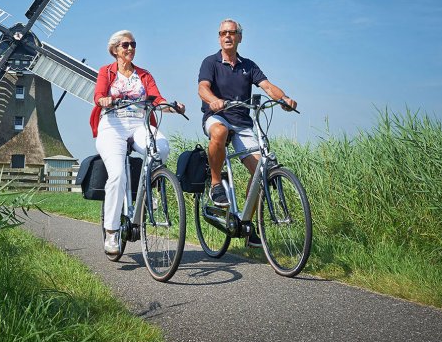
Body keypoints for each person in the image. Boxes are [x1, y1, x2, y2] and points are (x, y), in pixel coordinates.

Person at [198, 18, 297, 247]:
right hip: (218, 116)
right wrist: (214, 101)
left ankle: (247, 224)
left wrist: (284, 99)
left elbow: (268, 86)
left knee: (261, 171)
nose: (227, 36)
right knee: (220, 131)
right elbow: (202, 88)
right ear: (219, 37)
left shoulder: (248, 65)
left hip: (243, 123)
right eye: (223, 33)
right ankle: (215, 184)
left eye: (232, 33)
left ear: (239, 37)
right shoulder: (210, 62)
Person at [91, 30, 185, 255]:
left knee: (161, 147)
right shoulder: (106, 71)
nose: (130, 48)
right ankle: (112, 232)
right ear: (115, 49)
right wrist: (104, 100)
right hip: (112, 125)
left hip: (139, 124)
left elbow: (156, 98)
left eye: (133, 44)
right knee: (117, 175)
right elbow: (99, 95)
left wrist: (171, 106)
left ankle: (149, 190)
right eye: (125, 45)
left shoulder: (144, 75)